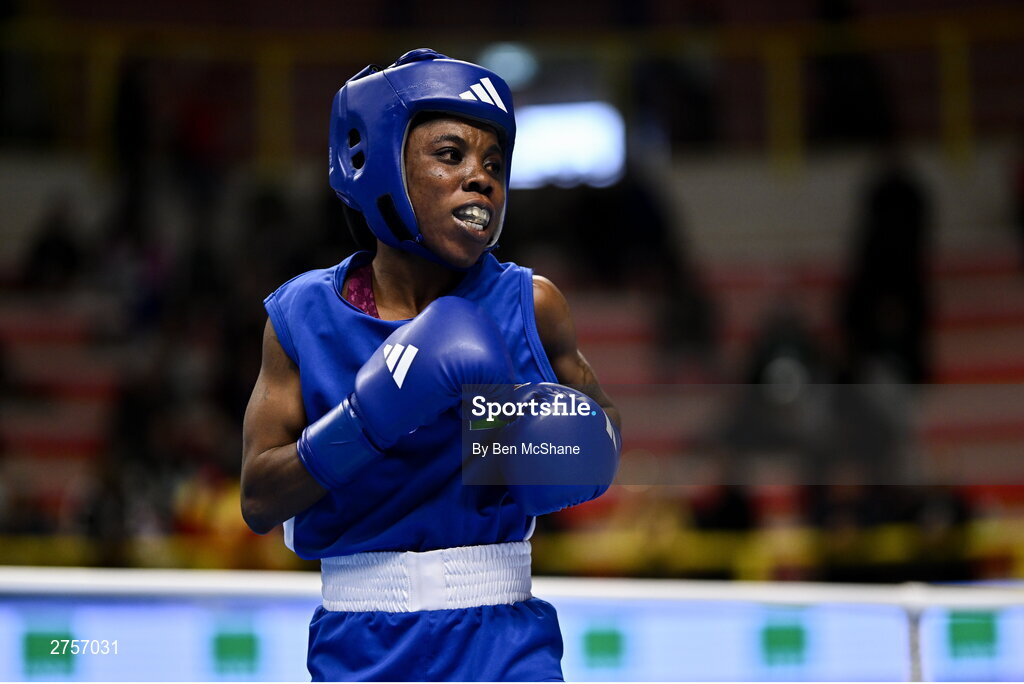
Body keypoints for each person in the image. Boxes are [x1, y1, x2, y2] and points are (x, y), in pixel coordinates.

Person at [240, 49, 621, 681]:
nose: (481, 178)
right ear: (382, 162)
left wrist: (530, 440)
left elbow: (603, 436)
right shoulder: (302, 317)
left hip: (503, 639)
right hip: (358, 642)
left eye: (494, 163)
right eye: (451, 155)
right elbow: (257, 498)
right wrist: (366, 418)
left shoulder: (530, 303)